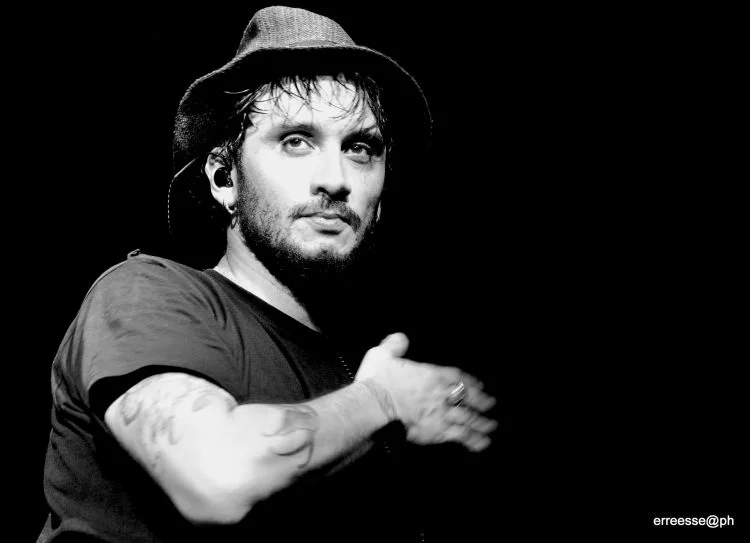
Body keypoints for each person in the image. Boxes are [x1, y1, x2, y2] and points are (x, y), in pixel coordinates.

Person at [39, 6, 498, 542]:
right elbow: (216, 481)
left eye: (360, 148)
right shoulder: (145, 293)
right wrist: (381, 401)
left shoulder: (355, 360)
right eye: (296, 140)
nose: (336, 179)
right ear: (224, 178)